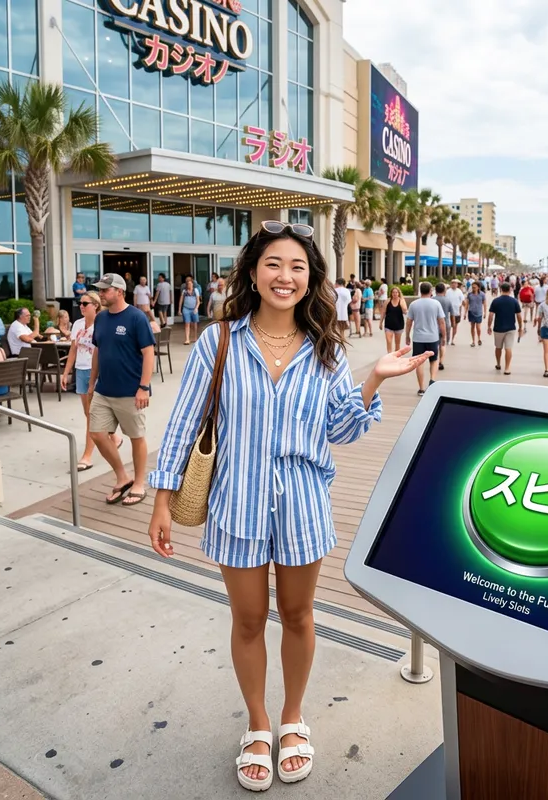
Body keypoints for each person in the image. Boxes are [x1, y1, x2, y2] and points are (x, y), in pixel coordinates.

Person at [147, 220, 428, 792]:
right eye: (275, 264)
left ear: (310, 279)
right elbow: (181, 426)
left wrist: (373, 377)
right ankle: (257, 723)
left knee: (299, 616)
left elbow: (341, 429)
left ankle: (293, 718)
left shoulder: (325, 351)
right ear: (254, 272)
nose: (285, 276)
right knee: (248, 619)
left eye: (298, 267)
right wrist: (162, 499)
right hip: (236, 503)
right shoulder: (218, 340)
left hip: (302, 504)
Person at [88, 273, 155, 508]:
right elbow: (98, 350)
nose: (101, 294)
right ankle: (122, 477)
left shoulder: (136, 318)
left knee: (136, 437)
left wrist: (143, 387)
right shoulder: (101, 318)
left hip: (131, 391)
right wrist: (91, 382)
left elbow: (148, 353)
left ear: (119, 291)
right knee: (97, 434)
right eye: (100, 290)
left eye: (105, 290)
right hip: (103, 390)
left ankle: (138, 482)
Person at [62, 291, 122, 471]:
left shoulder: (102, 322)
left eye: (85, 303)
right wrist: (66, 373)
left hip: (97, 370)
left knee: (92, 416)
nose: (81, 306)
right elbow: (73, 350)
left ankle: (87, 455)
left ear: (95, 305)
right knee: (89, 413)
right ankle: (114, 437)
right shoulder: (78, 324)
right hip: (81, 370)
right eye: (80, 303)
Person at [406, 281, 445, 396]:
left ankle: (421, 388)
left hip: (418, 338)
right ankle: (432, 380)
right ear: (430, 291)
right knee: (433, 360)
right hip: (433, 337)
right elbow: (441, 322)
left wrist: (407, 335)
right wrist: (444, 336)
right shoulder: (436, 304)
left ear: (420, 291)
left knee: (419, 362)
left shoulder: (414, 304)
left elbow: (409, 322)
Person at [487, 282, 523, 375]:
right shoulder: (514, 301)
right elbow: (519, 315)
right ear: (510, 289)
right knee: (508, 348)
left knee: (498, 347)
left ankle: (498, 364)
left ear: (501, 289)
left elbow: (491, 315)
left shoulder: (496, 301)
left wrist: (489, 326)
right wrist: (520, 327)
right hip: (511, 327)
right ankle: (507, 368)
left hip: (498, 327)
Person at [380, 285, 408, 353]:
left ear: (399, 293)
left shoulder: (401, 300)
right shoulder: (388, 301)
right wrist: (380, 322)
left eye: (396, 292)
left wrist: (401, 304)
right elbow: (383, 312)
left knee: (397, 343)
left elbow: (405, 311)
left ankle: (396, 357)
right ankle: (389, 355)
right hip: (388, 324)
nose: (395, 294)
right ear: (391, 293)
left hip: (399, 324)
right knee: (389, 341)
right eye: (393, 292)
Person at [434, 283, 453, 371]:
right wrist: (453, 324)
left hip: (434, 325)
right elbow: (452, 314)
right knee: (443, 343)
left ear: (435, 290)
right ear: (444, 291)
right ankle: (441, 361)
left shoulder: (432, 300)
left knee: (436, 344)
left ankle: (435, 360)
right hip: (446, 324)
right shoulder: (448, 300)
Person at [179, 275, 201, 345]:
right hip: (186, 309)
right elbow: (181, 301)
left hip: (194, 309)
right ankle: (187, 339)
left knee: (195, 324)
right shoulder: (184, 291)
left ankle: (195, 337)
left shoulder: (196, 290)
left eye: (190, 283)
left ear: (192, 284)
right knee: (187, 323)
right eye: (188, 284)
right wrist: (179, 310)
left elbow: (198, 301)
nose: (189, 285)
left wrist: (196, 308)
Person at [464, 282, 487, 346]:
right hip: (471, 312)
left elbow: (485, 304)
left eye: (475, 287)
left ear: (478, 287)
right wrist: (465, 313)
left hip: (479, 313)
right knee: (472, 327)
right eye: (472, 287)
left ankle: (479, 338)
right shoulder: (469, 294)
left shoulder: (482, 294)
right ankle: (473, 341)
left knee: (478, 328)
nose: (473, 288)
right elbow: (467, 304)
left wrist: (485, 312)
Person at [447, 279, 465, 345]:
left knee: (455, 326)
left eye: (455, 283)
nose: (454, 285)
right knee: (448, 326)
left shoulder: (459, 292)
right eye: (452, 283)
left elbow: (463, 301)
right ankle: (447, 339)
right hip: (449, 312)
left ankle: (452, 339)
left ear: (457, 285)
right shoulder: (448, 292)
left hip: (457, 312)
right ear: (451, 284)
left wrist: (464, 311)